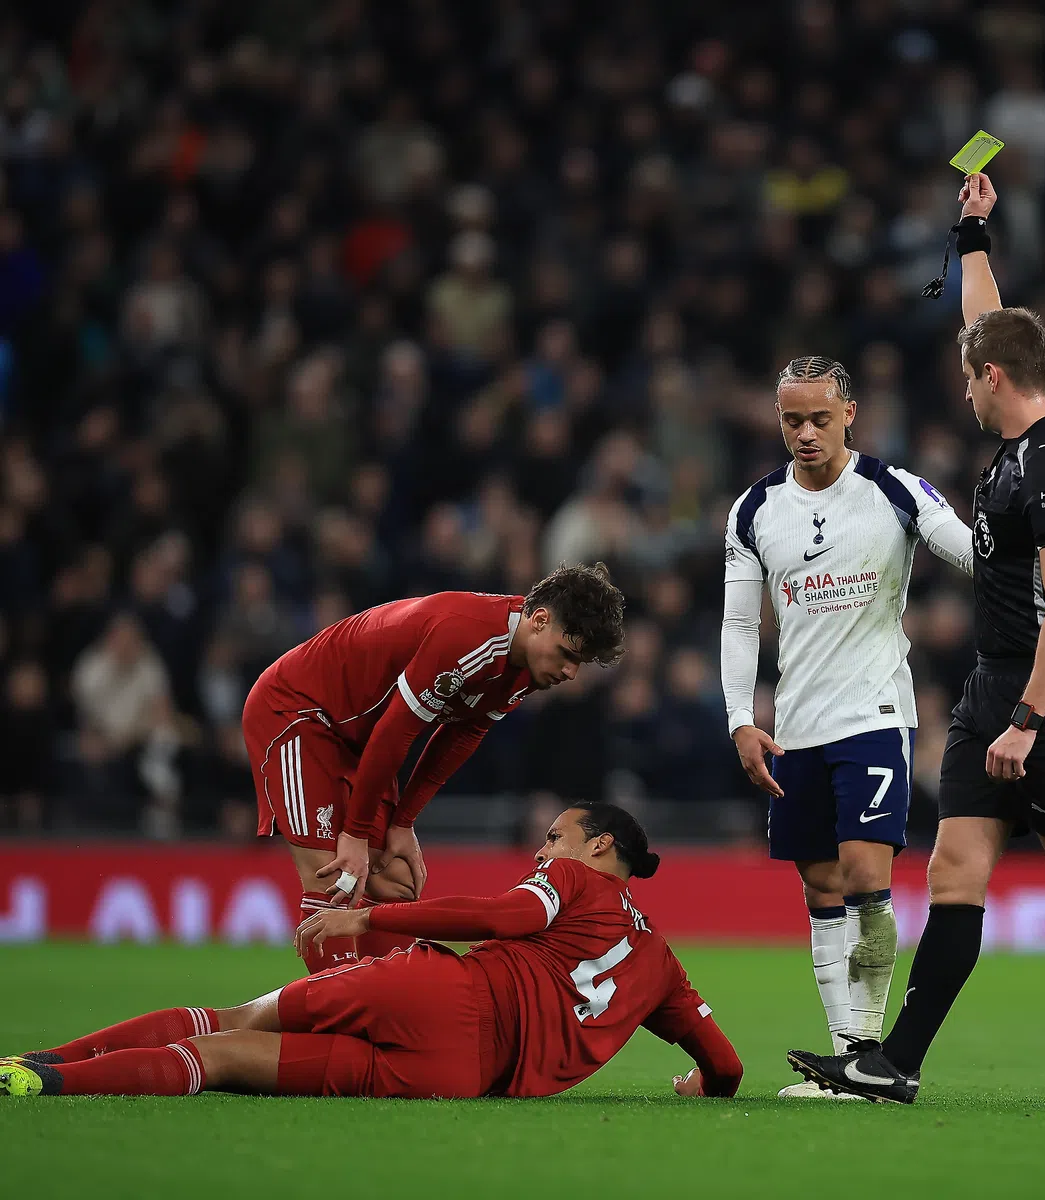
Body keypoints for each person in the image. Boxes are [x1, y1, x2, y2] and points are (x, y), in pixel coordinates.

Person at [788, 173, 1045, 1106]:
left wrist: (1028, 720)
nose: (963, 390)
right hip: (993, 689)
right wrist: (971, 237)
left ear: (993, 382)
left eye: (970, 377)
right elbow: (991, 327)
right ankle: (896, 1063)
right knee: (955, 869)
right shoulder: (1019, 426)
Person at [0, 803, 742, 1100]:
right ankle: (46, 1086)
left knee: (230, 1023)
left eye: (554, 835)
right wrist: (701, 1087)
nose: (544, 848)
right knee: (223, 1062)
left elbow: (503, 915)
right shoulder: (664, 966)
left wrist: (370, 918)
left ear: (597, 844)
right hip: (461, 1076)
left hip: (446, 993)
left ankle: (38, 1064)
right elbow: (728, 1065)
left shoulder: (572, 878)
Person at [723, 357, 973, 1097]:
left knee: (867, 874)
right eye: (791, 420)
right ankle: (849, 1060)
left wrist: (1017, 541)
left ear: (850, 414)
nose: (804, 433)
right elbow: (740, 625)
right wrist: (742, 718)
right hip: (795, 726)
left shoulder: (894, 488)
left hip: (872, 714)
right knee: (821, 885)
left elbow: (961, 547)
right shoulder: (753, 510)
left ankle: (871, 1063)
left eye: (818, 419)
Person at [243, 562, 626, 973]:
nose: (571, 671)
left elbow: (459, 737)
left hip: (359, 739)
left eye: (579, 663)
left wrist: (403, 821)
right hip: (301, 714)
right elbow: (395, 731)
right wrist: (354, 834)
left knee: (397, 881)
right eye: (568, 655)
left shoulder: (524, 666)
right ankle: (340, 1020)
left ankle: (381, 1008)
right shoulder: (468, 636)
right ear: (539, 619)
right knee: (333, 881)